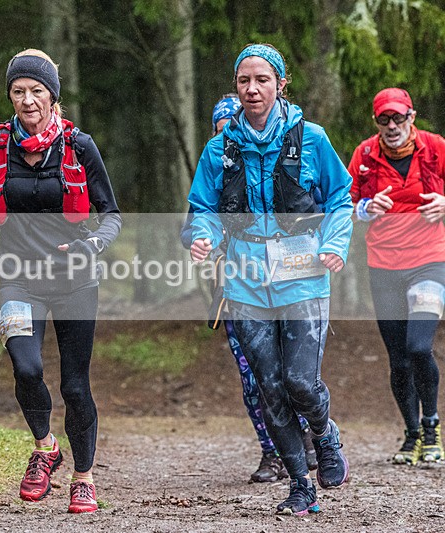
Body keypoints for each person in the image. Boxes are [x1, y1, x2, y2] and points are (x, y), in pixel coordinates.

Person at [187, 44, 353, 516]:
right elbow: (203, 208)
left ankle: (325, 433)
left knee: (301, 381)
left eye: (262, 79)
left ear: (281, 84)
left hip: (302, 276)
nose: (252, 88)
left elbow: (341, 197)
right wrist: (203, 237)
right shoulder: (221, 147)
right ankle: (300, 483)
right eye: (244, 81)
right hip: (245, 281)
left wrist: (334, 245)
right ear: (236, 87)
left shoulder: (312, 138)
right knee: (269, 388)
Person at [0, 49, 121, 513]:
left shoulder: (80, 146)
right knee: (26, 367)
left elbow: (111, 216)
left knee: (75, 385)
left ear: (52, 96)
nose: (27, 100)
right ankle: (45, 448)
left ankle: (84, 477)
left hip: (76, 279)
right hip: (18, 277)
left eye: (37, 91)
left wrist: (90, 246)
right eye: (19, 91)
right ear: (10, 96)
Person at [182, 94, 318, 484]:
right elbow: (191, 226)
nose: (232, 142)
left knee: (296, 373)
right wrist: (205, 241)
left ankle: (309, 437)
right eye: (223, 133)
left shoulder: (281, 166)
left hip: (289, 284)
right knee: (255, 378)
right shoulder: (215, 169)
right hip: (236, 291)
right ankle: (271, 453)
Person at [348, 88, 444, 465]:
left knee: (419, 346)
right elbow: (345, 207)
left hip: (430, 261)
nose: (392, 126)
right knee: (399, 360)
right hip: (384, 266)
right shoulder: (365, 155)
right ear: (376, 122)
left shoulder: (435, 149)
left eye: (398, 118)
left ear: (412, 117)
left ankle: (432, 427)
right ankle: (412, 433)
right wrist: (368, 208)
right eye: (384, 120)